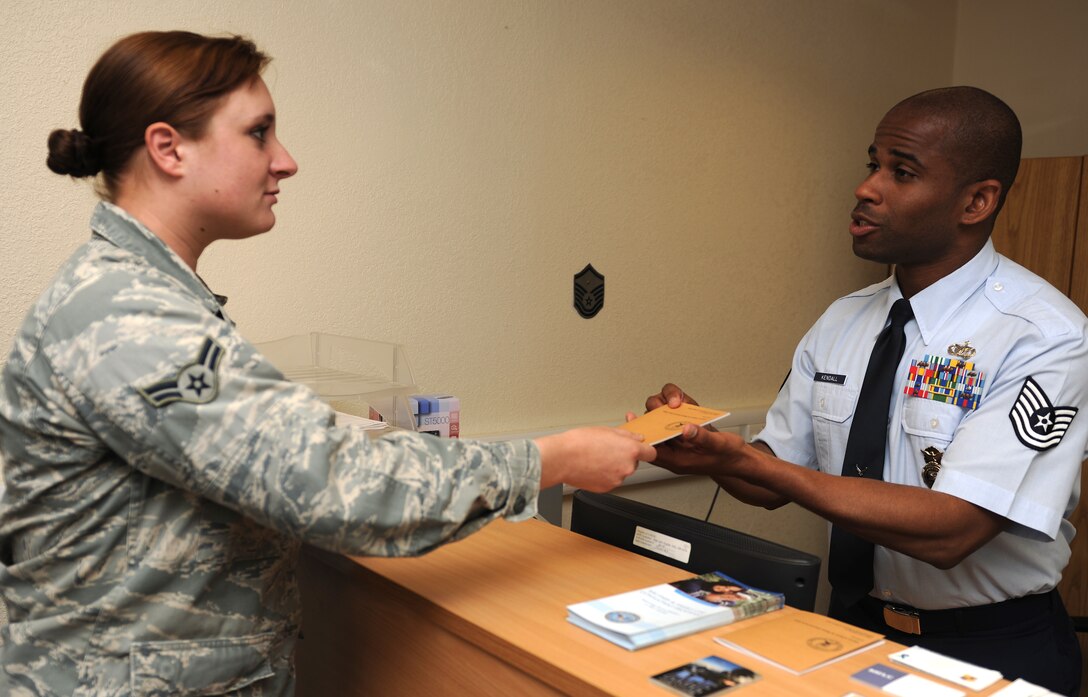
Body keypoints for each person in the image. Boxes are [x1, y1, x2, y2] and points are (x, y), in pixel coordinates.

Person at [0, 31, 655, 696]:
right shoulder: (127, 315)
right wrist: (552, 459)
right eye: (259, 133)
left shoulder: (136, 295)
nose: (285, 161)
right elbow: (336, 483)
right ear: (168, 148)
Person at [642, 87, 1085, 694]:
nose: (867, 187)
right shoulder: (844, 320)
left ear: (976, 201)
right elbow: (772, 476)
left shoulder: (1045, 335)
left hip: (988, 647)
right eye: (872, 164)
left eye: (901, 172)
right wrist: (714, 453)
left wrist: (749, 463)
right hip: (849, 629)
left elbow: (954, 529)